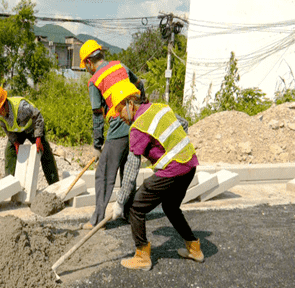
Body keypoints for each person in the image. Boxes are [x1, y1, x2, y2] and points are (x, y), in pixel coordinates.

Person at [108, 79, 204, 271]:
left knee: (135, 206)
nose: (119, 116)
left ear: (130, 103)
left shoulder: (138, 128)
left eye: (119, 110)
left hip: (174, 170)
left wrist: (120, 202)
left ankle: (142, 256)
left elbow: (131, 170)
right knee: (170, 207)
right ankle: (194, 248)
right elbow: (183, 124)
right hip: (189, 164)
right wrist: (170, 149)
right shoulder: (159, 108)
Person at [79, 39, 148, 229]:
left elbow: (97, 115)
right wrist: (141, 106)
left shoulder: (94, 81)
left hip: (118, 126)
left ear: (88, 62)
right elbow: (139, 84)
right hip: (136, 123)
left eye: (85, 66)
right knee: (128, 170)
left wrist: (97, 145)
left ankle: (97, 220)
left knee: (103, 173)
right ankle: (128, 213)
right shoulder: (120, 65)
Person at [0, 86, 59, 185]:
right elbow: (6, 128)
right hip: (18, 132)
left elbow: (37, 117)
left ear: (4, 104)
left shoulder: (21, 107)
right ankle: (9, 186)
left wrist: (38, 138)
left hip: (32, 128)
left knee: (44, 150)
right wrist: (15, 142)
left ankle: (54, 183)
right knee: (10, 151)